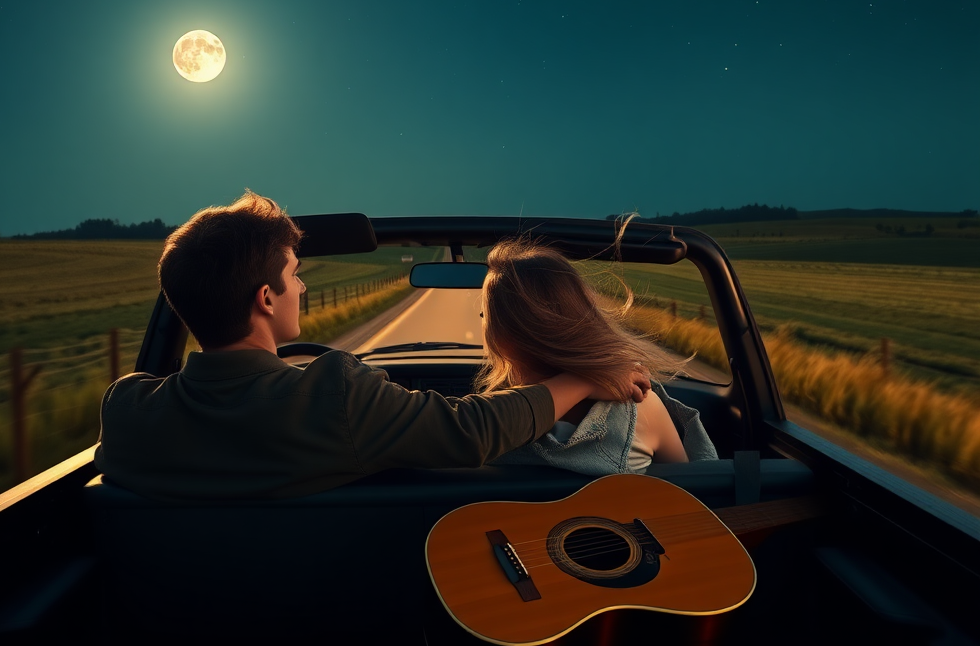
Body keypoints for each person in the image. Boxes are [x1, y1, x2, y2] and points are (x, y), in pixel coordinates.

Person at [94, 192, 651, 500]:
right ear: (267, 298)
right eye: (296, 273)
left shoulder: (127, 412)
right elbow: (473, 432)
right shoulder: (333, 394)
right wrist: (585, 377)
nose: (305, 286)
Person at [478, 238, 718, 476]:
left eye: (484, 316)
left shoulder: (488, 426)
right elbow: (690, 491)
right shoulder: (642, 409)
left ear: (502, 340)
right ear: (584, 319)